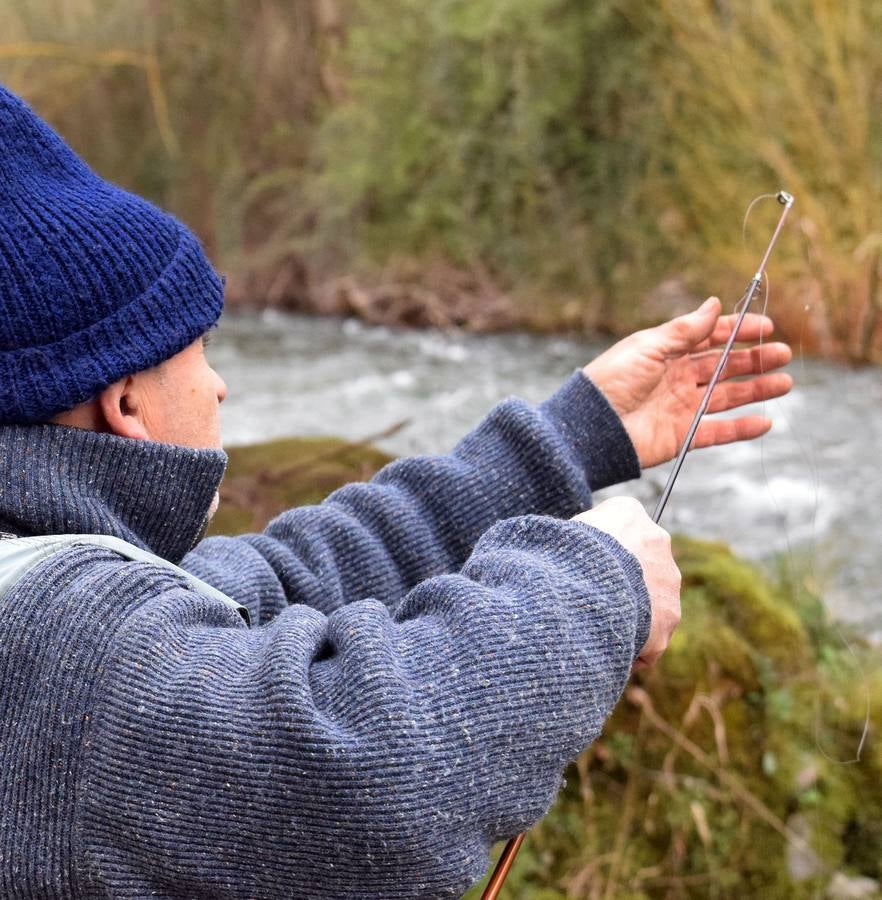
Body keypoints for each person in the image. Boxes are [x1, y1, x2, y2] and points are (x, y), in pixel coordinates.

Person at [0, 83, 792, 899]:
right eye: (200, 350)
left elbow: (289, 582)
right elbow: (363, 771)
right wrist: (593, 582)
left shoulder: (45, 588)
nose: (222, 385)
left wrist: (576, 435)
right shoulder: (65, 647)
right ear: (125, 402)